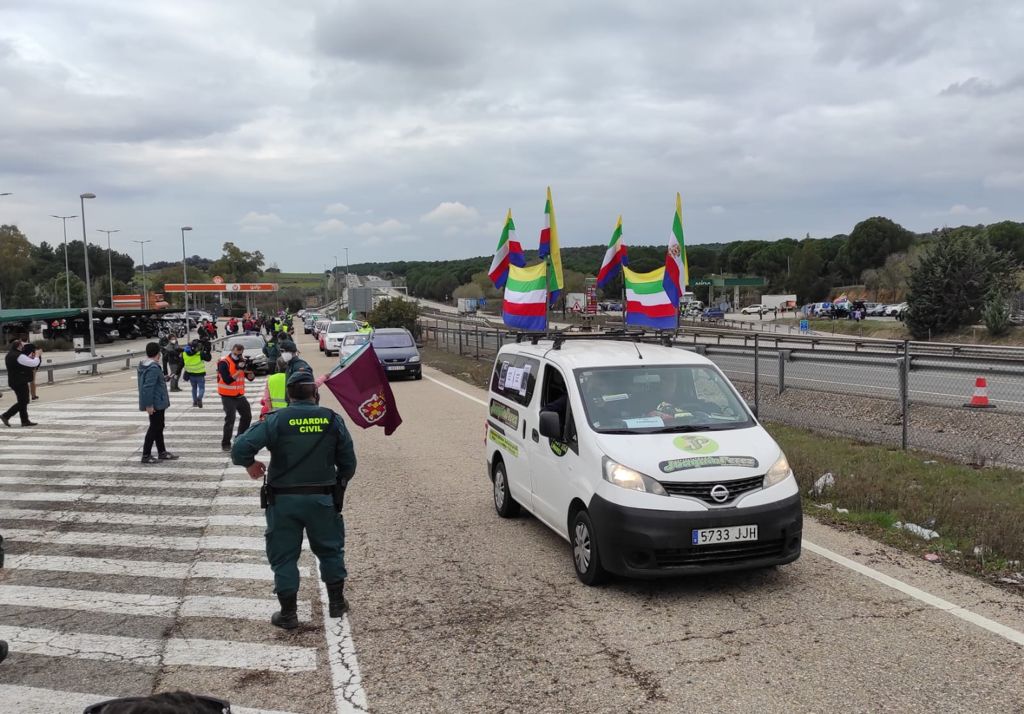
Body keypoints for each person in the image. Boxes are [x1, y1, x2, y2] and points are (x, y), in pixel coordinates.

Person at [231, 371, 357, 629]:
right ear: (315, 393)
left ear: (289, 395)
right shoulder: (332, 420)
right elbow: (348, 463)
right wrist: (338, 485)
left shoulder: (275, 420)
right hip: (322, 499)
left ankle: (288, 614)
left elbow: (240, 448)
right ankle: (336, 603)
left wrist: (251, 464)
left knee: (284, 557)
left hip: (283, 502)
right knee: (330, 550)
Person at [137, 342, 179, 464]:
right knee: (154, 428)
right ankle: (146, 455)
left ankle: (162, 452)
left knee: (158, 427)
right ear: (158, 354)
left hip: (156, 401)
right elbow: (148, 387)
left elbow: (152, 383)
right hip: (155, 403)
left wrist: (164, 378)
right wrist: (149, 405)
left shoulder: (145, 365)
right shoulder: (153, 367)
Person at [218, 341, 255, 451]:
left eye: (240, 354)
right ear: (232, 351)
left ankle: (240, 438)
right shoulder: (224, 362)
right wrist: (239, 371)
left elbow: (251, 378)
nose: (238, 356)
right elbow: (227, 380)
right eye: (236, 353)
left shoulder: (242, 361)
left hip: (239, 395)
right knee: (230, 419)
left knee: (247, 416)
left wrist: (250, 371)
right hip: (227, 395)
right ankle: (225, 443)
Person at [2, 341, 41, 428]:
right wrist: (37, 355)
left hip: (14, 381)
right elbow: (34, 363)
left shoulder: (9, 355)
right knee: (24, 401)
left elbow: (20, 363)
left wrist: (30, 357)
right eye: (22, 346)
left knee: (22, 401)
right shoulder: (19, 355)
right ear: (18, 346)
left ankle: (25, 421)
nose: (23, 348)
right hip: (20, 381)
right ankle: (6, 415)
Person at [182, 339, 211, 408]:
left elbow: (181, 363)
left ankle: (195, 402)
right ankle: (199, 398)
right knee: (201, 388)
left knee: (194, 388)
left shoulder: (184, 353)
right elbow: (208, 358)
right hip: (200, 374)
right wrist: (208, 351)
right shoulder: (200, 354)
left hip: (191, 374)